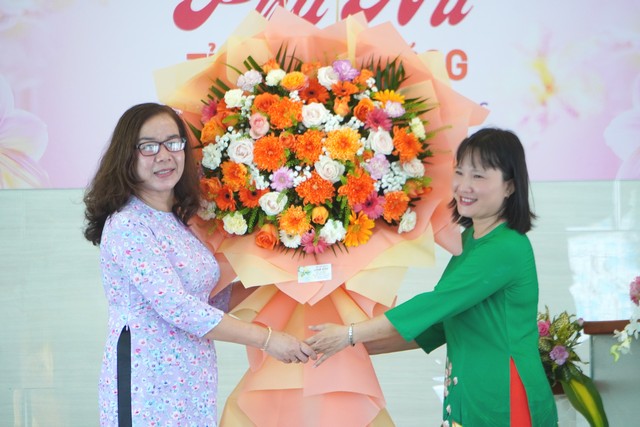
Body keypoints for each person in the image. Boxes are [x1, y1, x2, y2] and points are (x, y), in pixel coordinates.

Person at [83, 102, 316, 426]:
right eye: (148, 146)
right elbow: (178, 307)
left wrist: (285, 276)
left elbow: (207, 301)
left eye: (172, 142)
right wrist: (266, 339)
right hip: (146, 382)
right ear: (127, 156)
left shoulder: (177, 222)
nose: (164, 155)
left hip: (191, 380)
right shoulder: (128, 224)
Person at [306, 128, 558, 426]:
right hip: (471, 391)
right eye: (460, 172)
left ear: (510, 187)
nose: (464, 185)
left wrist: (350, 334)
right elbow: (440, 325)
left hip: (503, 393)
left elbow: (435, 304)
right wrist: (353, 345)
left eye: (478, 176)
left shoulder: (505, 246)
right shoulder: (471, 241)